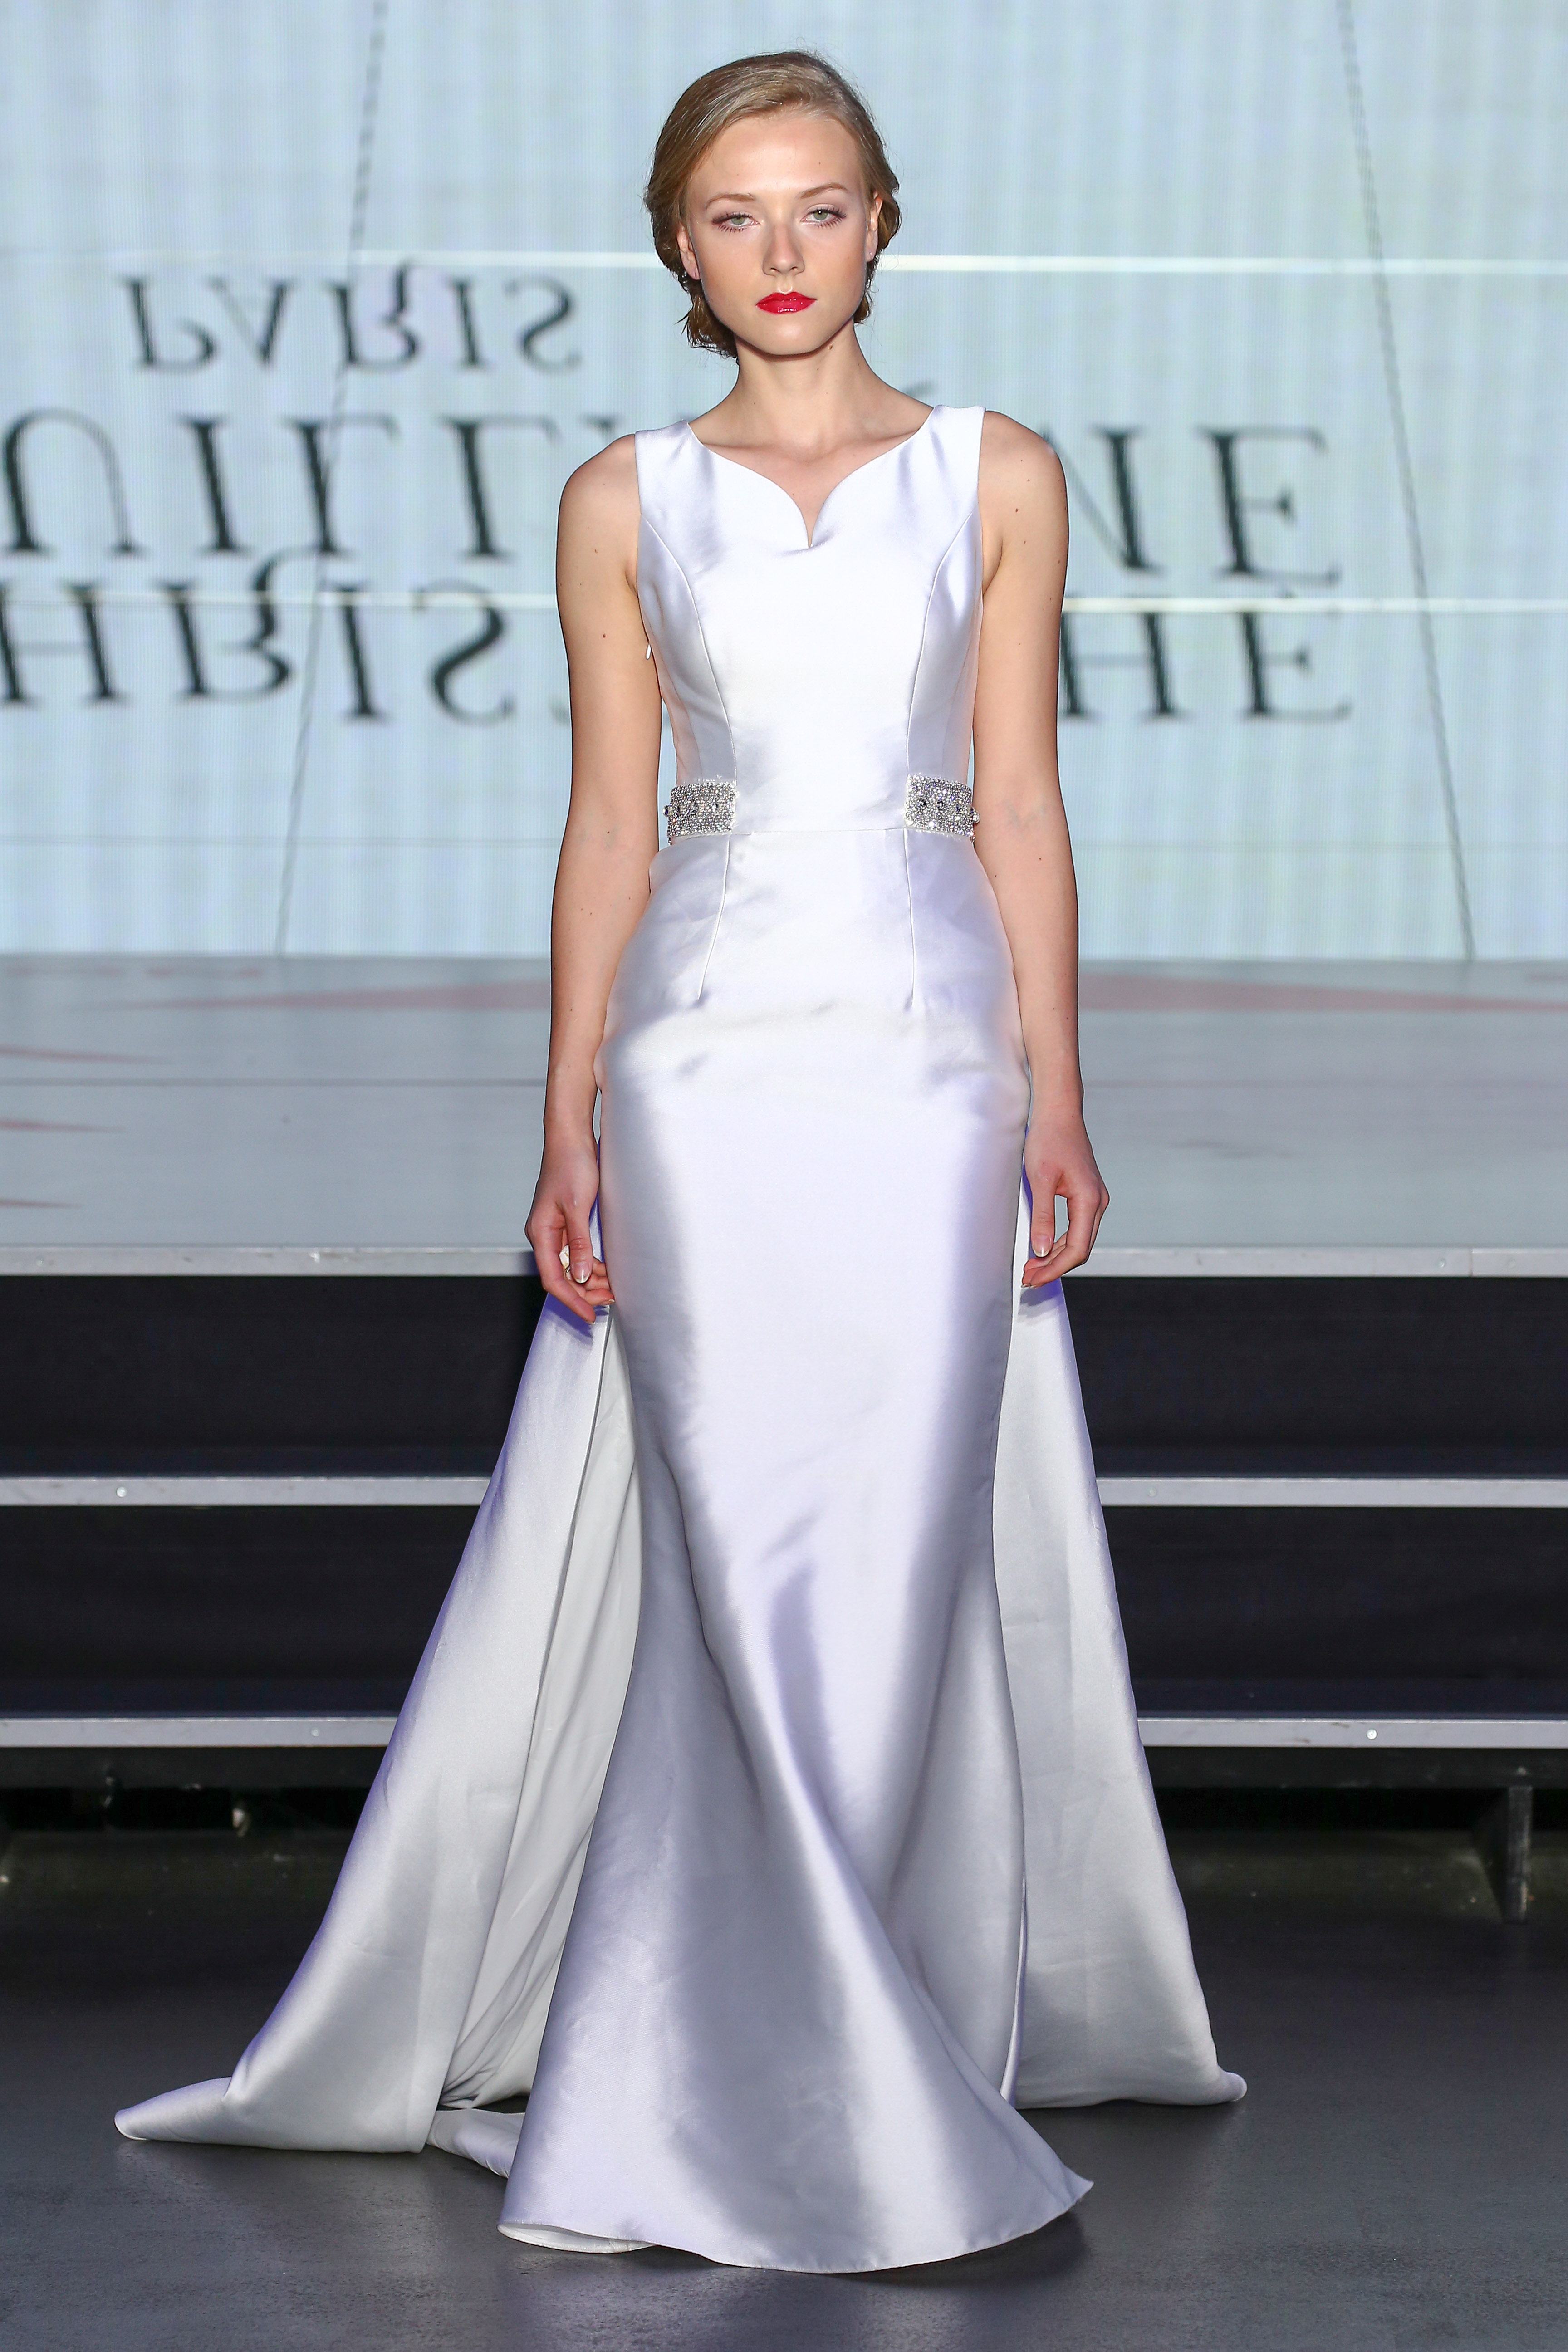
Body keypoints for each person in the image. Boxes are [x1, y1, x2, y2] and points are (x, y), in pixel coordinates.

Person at [116, 50, 1242, 2273]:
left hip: (927, 1050)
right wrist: (565, 1110)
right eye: (736, 216)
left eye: (819, 208)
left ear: (884, 222)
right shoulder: (626, 497)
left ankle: (843, 2019)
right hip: (705, 1058)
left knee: (891, 1551)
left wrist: (1061, 1090)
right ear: (678, 249)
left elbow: (1023, 801)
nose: (781, 253)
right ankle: (748, 2052)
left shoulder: (998, 475)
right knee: (736, 1549)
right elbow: (609, 831)